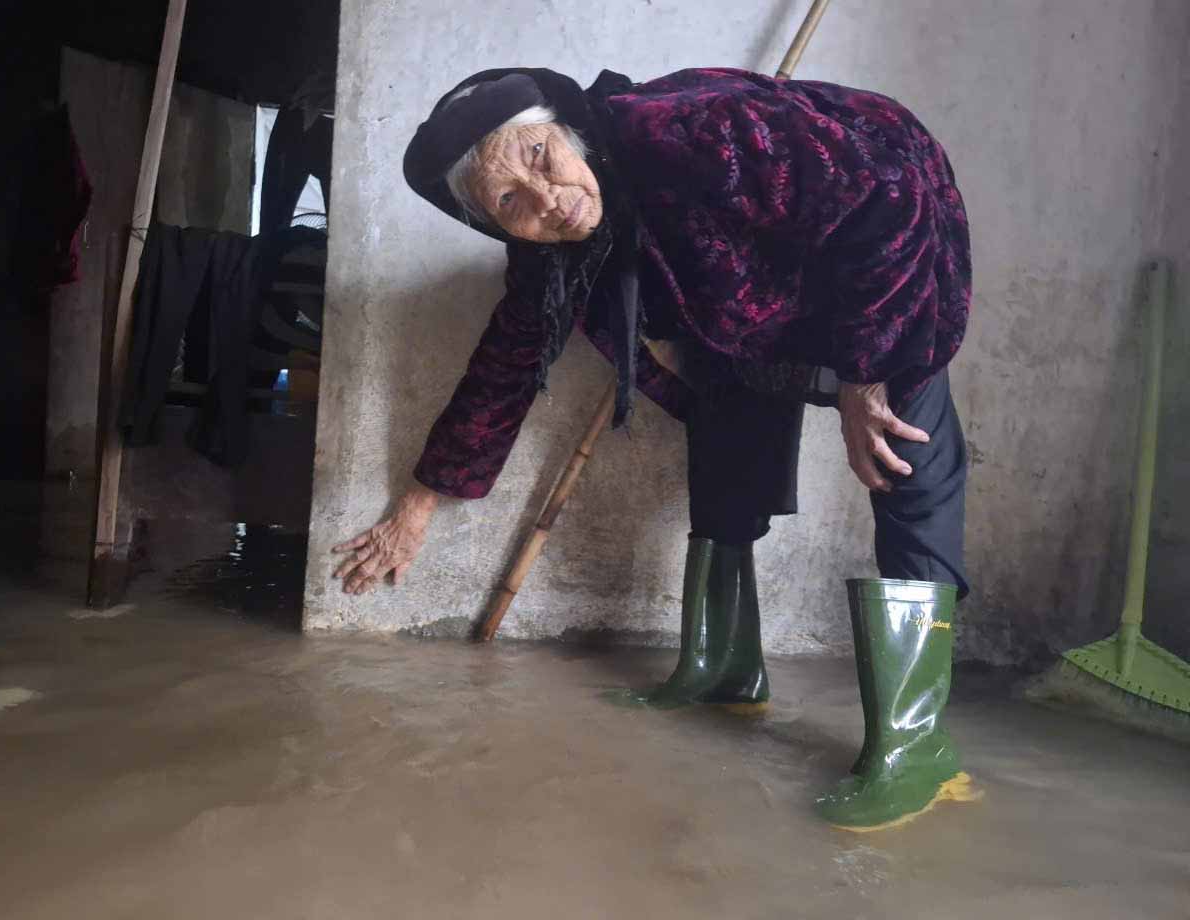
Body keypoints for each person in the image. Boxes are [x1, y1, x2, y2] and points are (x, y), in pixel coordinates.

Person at [331, 67, 975, 830]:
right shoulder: (551, 253)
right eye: (510, 203)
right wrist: (417, 505)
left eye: (540, 158)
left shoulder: (690, 130)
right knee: (728, 418)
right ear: (493, 225)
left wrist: (867, 378)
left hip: (884, 249)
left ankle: (914, 745)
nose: (548, 200)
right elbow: (503, 369)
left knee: (904, 450)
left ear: (568, 132)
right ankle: (724, 668)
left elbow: (884, 193)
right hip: (751, 298)